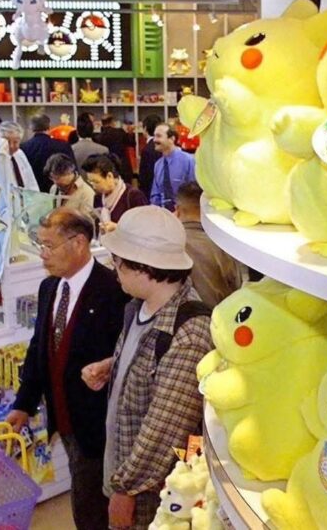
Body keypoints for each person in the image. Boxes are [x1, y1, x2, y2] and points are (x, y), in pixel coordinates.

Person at [90, 206, 213, 530]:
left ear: (143, 267)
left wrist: (126, 489)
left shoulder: (189, 333)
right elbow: (150, 366)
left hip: (152, 496)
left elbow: (164, 427)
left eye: (118, 261)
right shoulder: (139, 307)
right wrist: (113, 366)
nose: (113, 268)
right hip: (124, 465)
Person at [6, 208, 127, 530]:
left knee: (92, 506)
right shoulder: (50, 288)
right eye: (40, 245)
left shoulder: (113, 291)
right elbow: (40, 349)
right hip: (64, 418)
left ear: (79, 243)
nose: (42, 254)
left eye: (49, 246)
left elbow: (125, 359)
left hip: (98, 427)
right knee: (84, 497)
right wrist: (24, 403)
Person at [175, 182, 245, 307]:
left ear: (178, 210)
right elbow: (240, 285)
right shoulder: (227, 244)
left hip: (185, 316)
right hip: (224, 314)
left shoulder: (171, 244)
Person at [83, 153, 148, 233]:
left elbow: (145, 227)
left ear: (109, 176)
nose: (94, 186)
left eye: (96, 182)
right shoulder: (98, 198)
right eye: (90, 182)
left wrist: (117, 227)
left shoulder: (133, 196)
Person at [21, 114, 75, 191]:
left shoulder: (23, 147)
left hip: (33, 192)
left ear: (31, 128)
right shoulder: (63, 146)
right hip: (59, 190)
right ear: (49, 126)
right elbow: (72, 169)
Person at [150, 123, 196, 211]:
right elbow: (155, 195)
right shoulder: (158, 165)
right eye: (154, 136)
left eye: (159, 136)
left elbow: (194, 192)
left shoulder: (188, 161)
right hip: (163, 214)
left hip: (184, 213)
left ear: (172, 139)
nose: (154, 140)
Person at [96, 114, 134, 183]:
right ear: (112, 122)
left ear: (102, 123)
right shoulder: (120, 132)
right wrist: (130, 133)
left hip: (107, 169)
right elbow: (131, 143)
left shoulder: (98, 137)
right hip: (123, 168)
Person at [137, 114, 162, 196]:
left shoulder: (146, 150)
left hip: (151, 192)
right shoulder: (164, 145)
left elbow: (144, 177)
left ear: (145, 128)